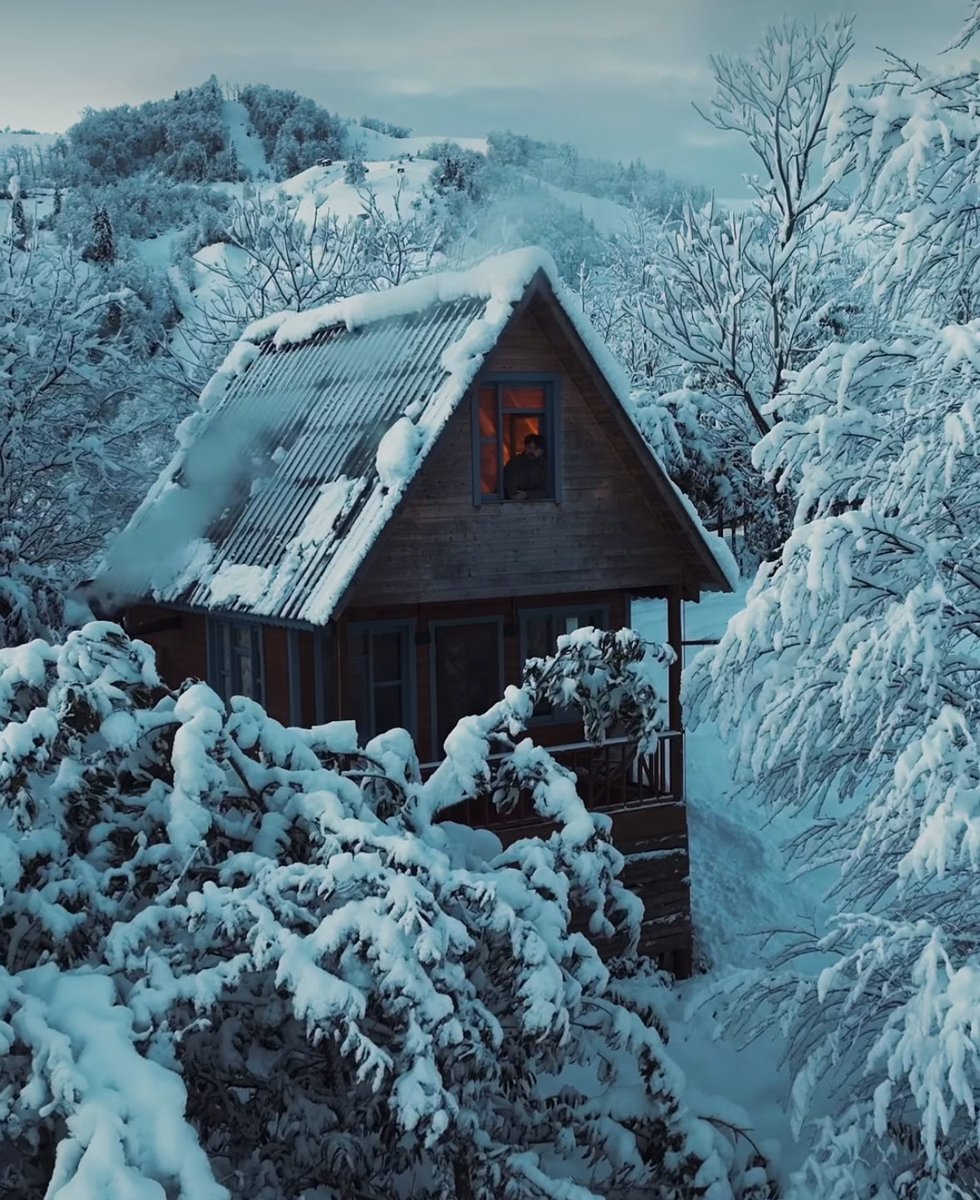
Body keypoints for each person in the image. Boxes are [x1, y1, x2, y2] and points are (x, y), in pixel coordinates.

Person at [502, 434, 548, 500]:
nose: (531, 451)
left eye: (536, 449)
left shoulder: (544, 466)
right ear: (525, 447)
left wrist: (527, 495)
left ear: (541, 451)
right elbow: (511, 492)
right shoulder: (514, 464)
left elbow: (546, 491)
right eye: (529, 447)